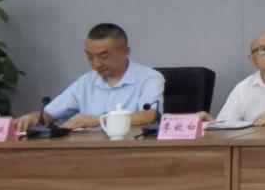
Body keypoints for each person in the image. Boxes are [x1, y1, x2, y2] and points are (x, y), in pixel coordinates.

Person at [14, 23, 163, 132]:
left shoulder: (149, 78)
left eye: (104, 56)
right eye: (90, 57)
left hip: (131, 153)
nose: (96, 64)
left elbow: (150, 116)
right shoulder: (86, 82)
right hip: (87, 152)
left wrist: (96, 121)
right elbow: (47, 115)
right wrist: (32, 118)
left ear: (126, 51)